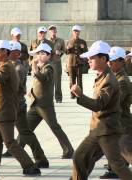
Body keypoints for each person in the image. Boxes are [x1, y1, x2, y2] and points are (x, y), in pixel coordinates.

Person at [0, 41, 49, 170]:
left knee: (10, 142)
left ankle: (31, 166)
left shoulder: (8, 67)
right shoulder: (6, 65)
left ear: (4, 52)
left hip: (6, 109)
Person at [70, 41, 132, 180]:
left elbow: (99, 104)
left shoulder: (110, 79)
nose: (89, 60)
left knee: (117, 165)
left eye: (92, 58)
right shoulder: (103, 76)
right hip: (99, 128)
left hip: (107, 130)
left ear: (103, 59)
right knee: (80, 157)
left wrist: (80, 95)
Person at [99, 46, 132, 179]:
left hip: (122, 121)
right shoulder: (114, 77)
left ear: (121, 61)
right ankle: (113, 169)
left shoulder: (122, 81)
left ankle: (115, 169)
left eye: (112, 61)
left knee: (125, 149)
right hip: (116, 120)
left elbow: (116, 103)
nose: (109, 63)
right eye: (108, 61)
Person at [66, 25, 88, 99]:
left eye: (77, 31)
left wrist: (83, 48)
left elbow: (86, 52)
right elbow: (66, 52)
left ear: (79, 32)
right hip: (71, 63)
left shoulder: (83, 42)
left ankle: (79, 94)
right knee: (72, 80)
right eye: (75, 31)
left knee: (79, 80)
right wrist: (68, 48)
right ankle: (72, 94)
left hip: (79, 63)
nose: (76, 32)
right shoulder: (69, 41)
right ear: (72, 32)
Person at [48, 25, 65, 103]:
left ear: (56, 31)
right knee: (48, 81)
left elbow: (63, 50)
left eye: (54, 31)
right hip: (48, 63)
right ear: (49, 32)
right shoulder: (46, 41)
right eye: (51, 31)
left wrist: (60, 52)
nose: (53, 32)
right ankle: (49, 98)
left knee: (57, 81)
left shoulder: (61, 41)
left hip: (57, 63)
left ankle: (58, 98)